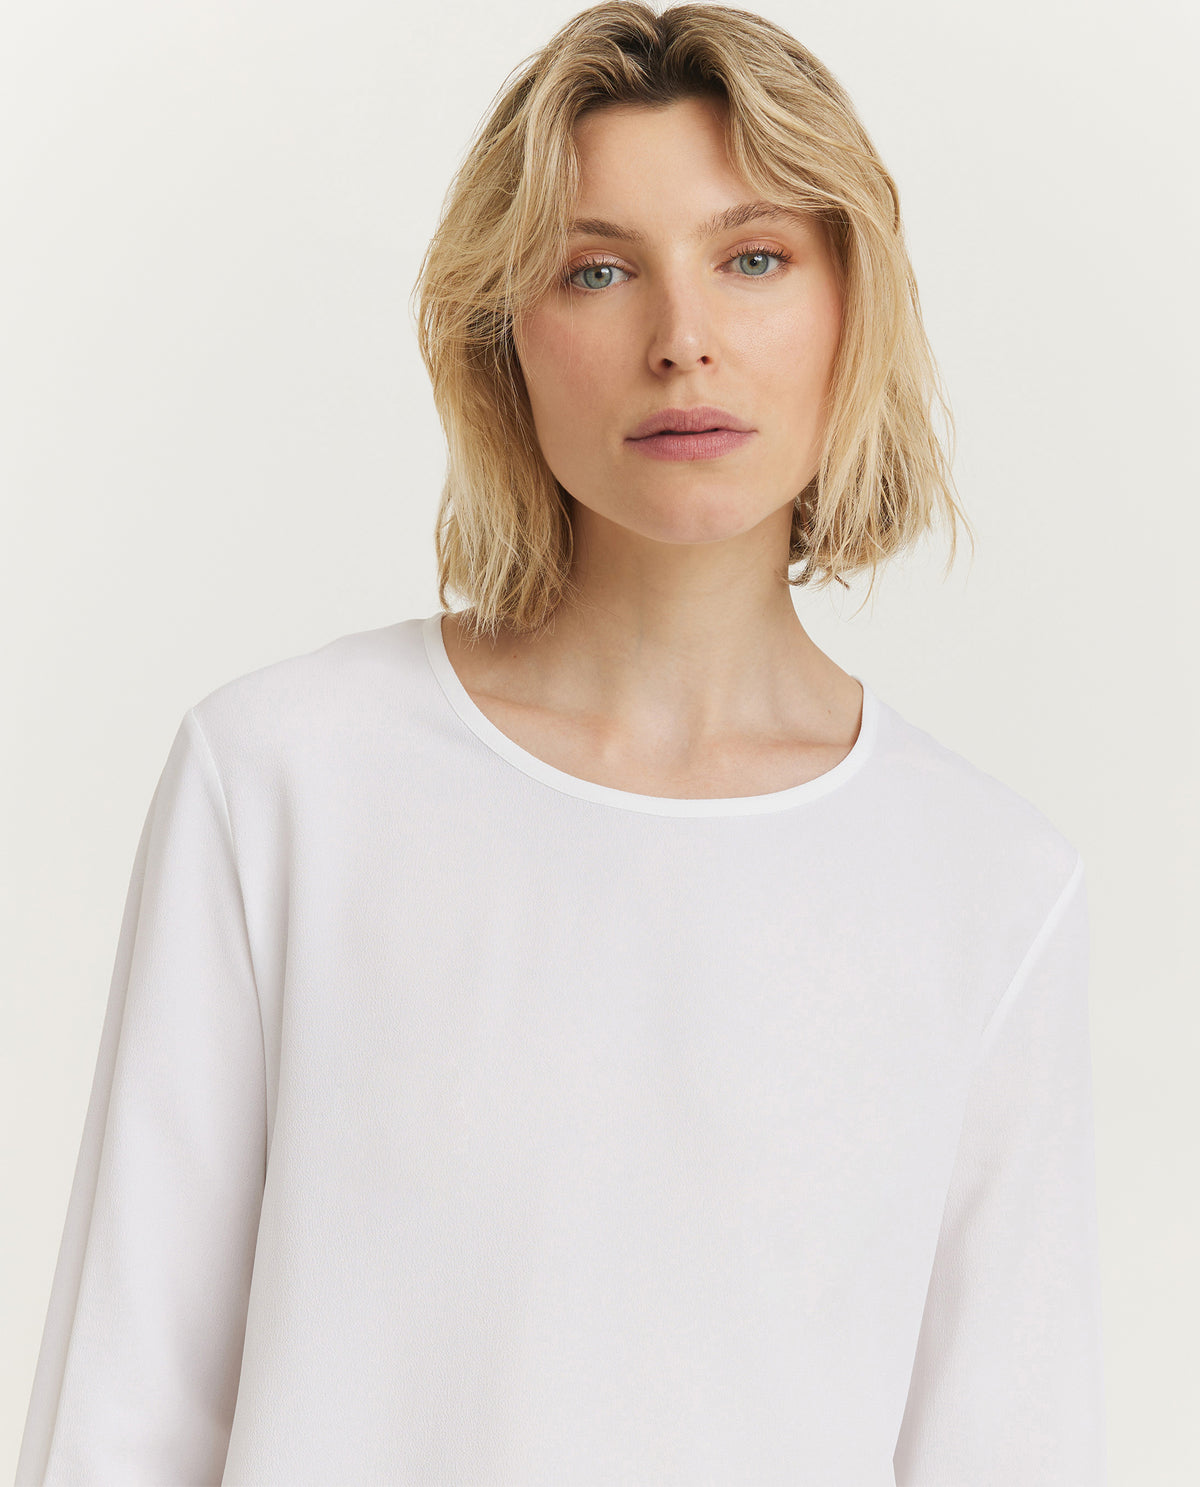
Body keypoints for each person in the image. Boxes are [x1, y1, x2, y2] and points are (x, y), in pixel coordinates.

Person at [16, 3, 1107, 1483]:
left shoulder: (989, 884)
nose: (682, 340)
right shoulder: (282, 784)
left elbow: (1007, 1446)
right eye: (596, 269)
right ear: (505, 339)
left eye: (754, 257)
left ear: (854, 306)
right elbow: (126, 1415)